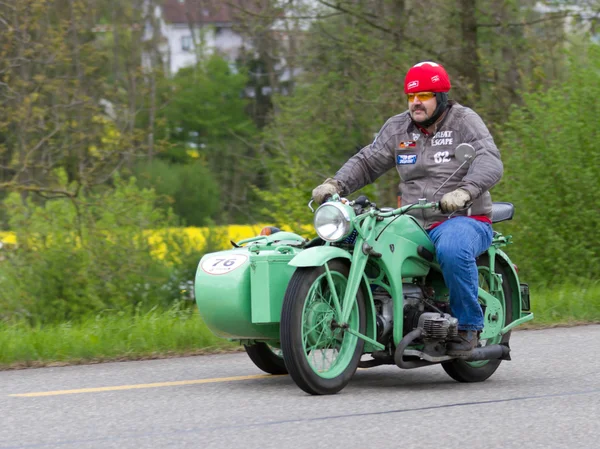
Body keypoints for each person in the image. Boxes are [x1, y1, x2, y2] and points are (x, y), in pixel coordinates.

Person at [311, 61, 503, 358]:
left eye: (424, 95)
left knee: (452, 248)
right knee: (349, 236)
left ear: (440, 96)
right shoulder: (398, 127)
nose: (416, 102)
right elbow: (367, 161)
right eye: (411, 96)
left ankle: (468, 327)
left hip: (460, 218)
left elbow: (490, 159)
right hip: (412, 221)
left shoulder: (464, 121)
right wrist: (335, 185)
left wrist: (465, 191)